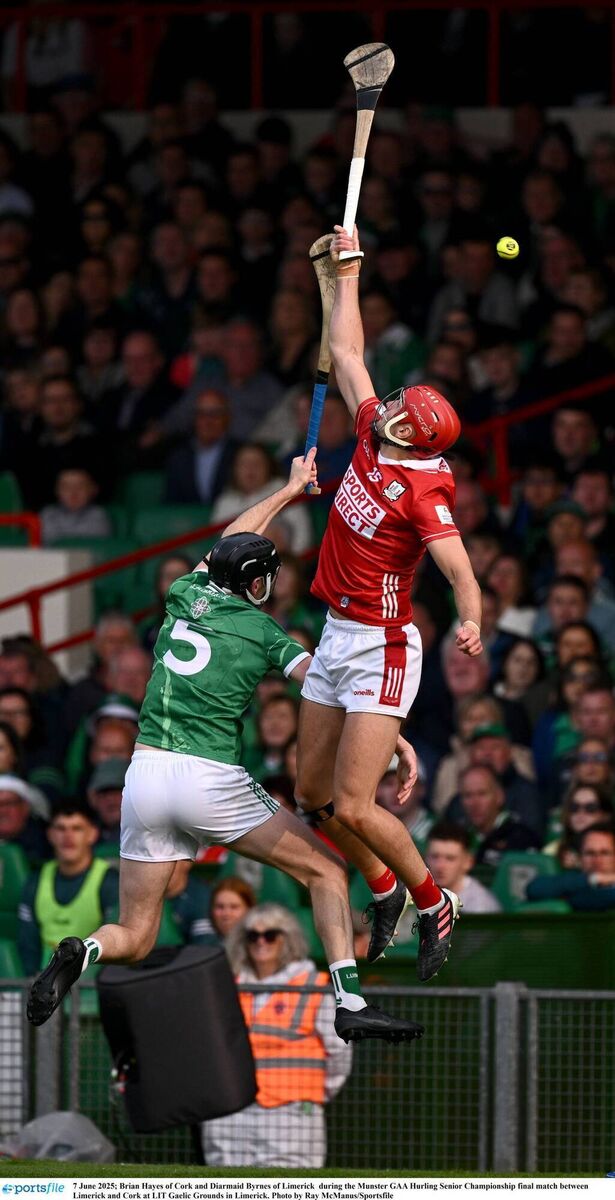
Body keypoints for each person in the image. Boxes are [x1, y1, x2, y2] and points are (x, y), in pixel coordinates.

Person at [26, 451, 424, 1047]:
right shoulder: (267, 633)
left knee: (134, 936)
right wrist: (394, 738)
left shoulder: (186, 592)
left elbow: (232, 538)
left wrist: (288, 489)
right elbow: (332, 688)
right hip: (209, 778)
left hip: (144, 776)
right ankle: (350, 1002)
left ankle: (83, 950)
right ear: (257, 582)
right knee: (325, 873)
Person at [296, 225, 483, 984]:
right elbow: (346, 354)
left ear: (415, 431)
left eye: (402, 408)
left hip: (382, 643)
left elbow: (459, 569)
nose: (390, 405)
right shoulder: (375, 431)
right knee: (312, 796)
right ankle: (383, 888)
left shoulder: (426, 487)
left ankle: (432, 899)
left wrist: (469, 615)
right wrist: (346, 274)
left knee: (355, 805)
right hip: (336, 628)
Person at [201, 904, 352, 1168]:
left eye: (270, 935)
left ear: (287, 939)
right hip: (231, 1110)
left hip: (289, 1113)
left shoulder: (313, 986)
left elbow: (339, 1052)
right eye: (252, 936)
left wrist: (313, 1092)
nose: (261, 942)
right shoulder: (226, 985)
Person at [17, 802, 119, 975]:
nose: (68, 836)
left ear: (93, 834)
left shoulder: (109, 881)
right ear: (50, 834)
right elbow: (28, 944)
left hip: (92, 984)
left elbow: (114, 944)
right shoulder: (36, 879)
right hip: (43, 979)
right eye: (61, 828)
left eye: (77, 828)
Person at [526, 823, 615, 911]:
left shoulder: (573, 890)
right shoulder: (575, 879)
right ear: (580, 857)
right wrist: (594, 879)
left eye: (605, 853)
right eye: (590, 853)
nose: (597, 860)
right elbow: (534, 889)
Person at [426, 822, 501, 913]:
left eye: (450, 858)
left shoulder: (480, 906)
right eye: (435, 857)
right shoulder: (414, 896)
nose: (440, 866)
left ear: (468, 862)